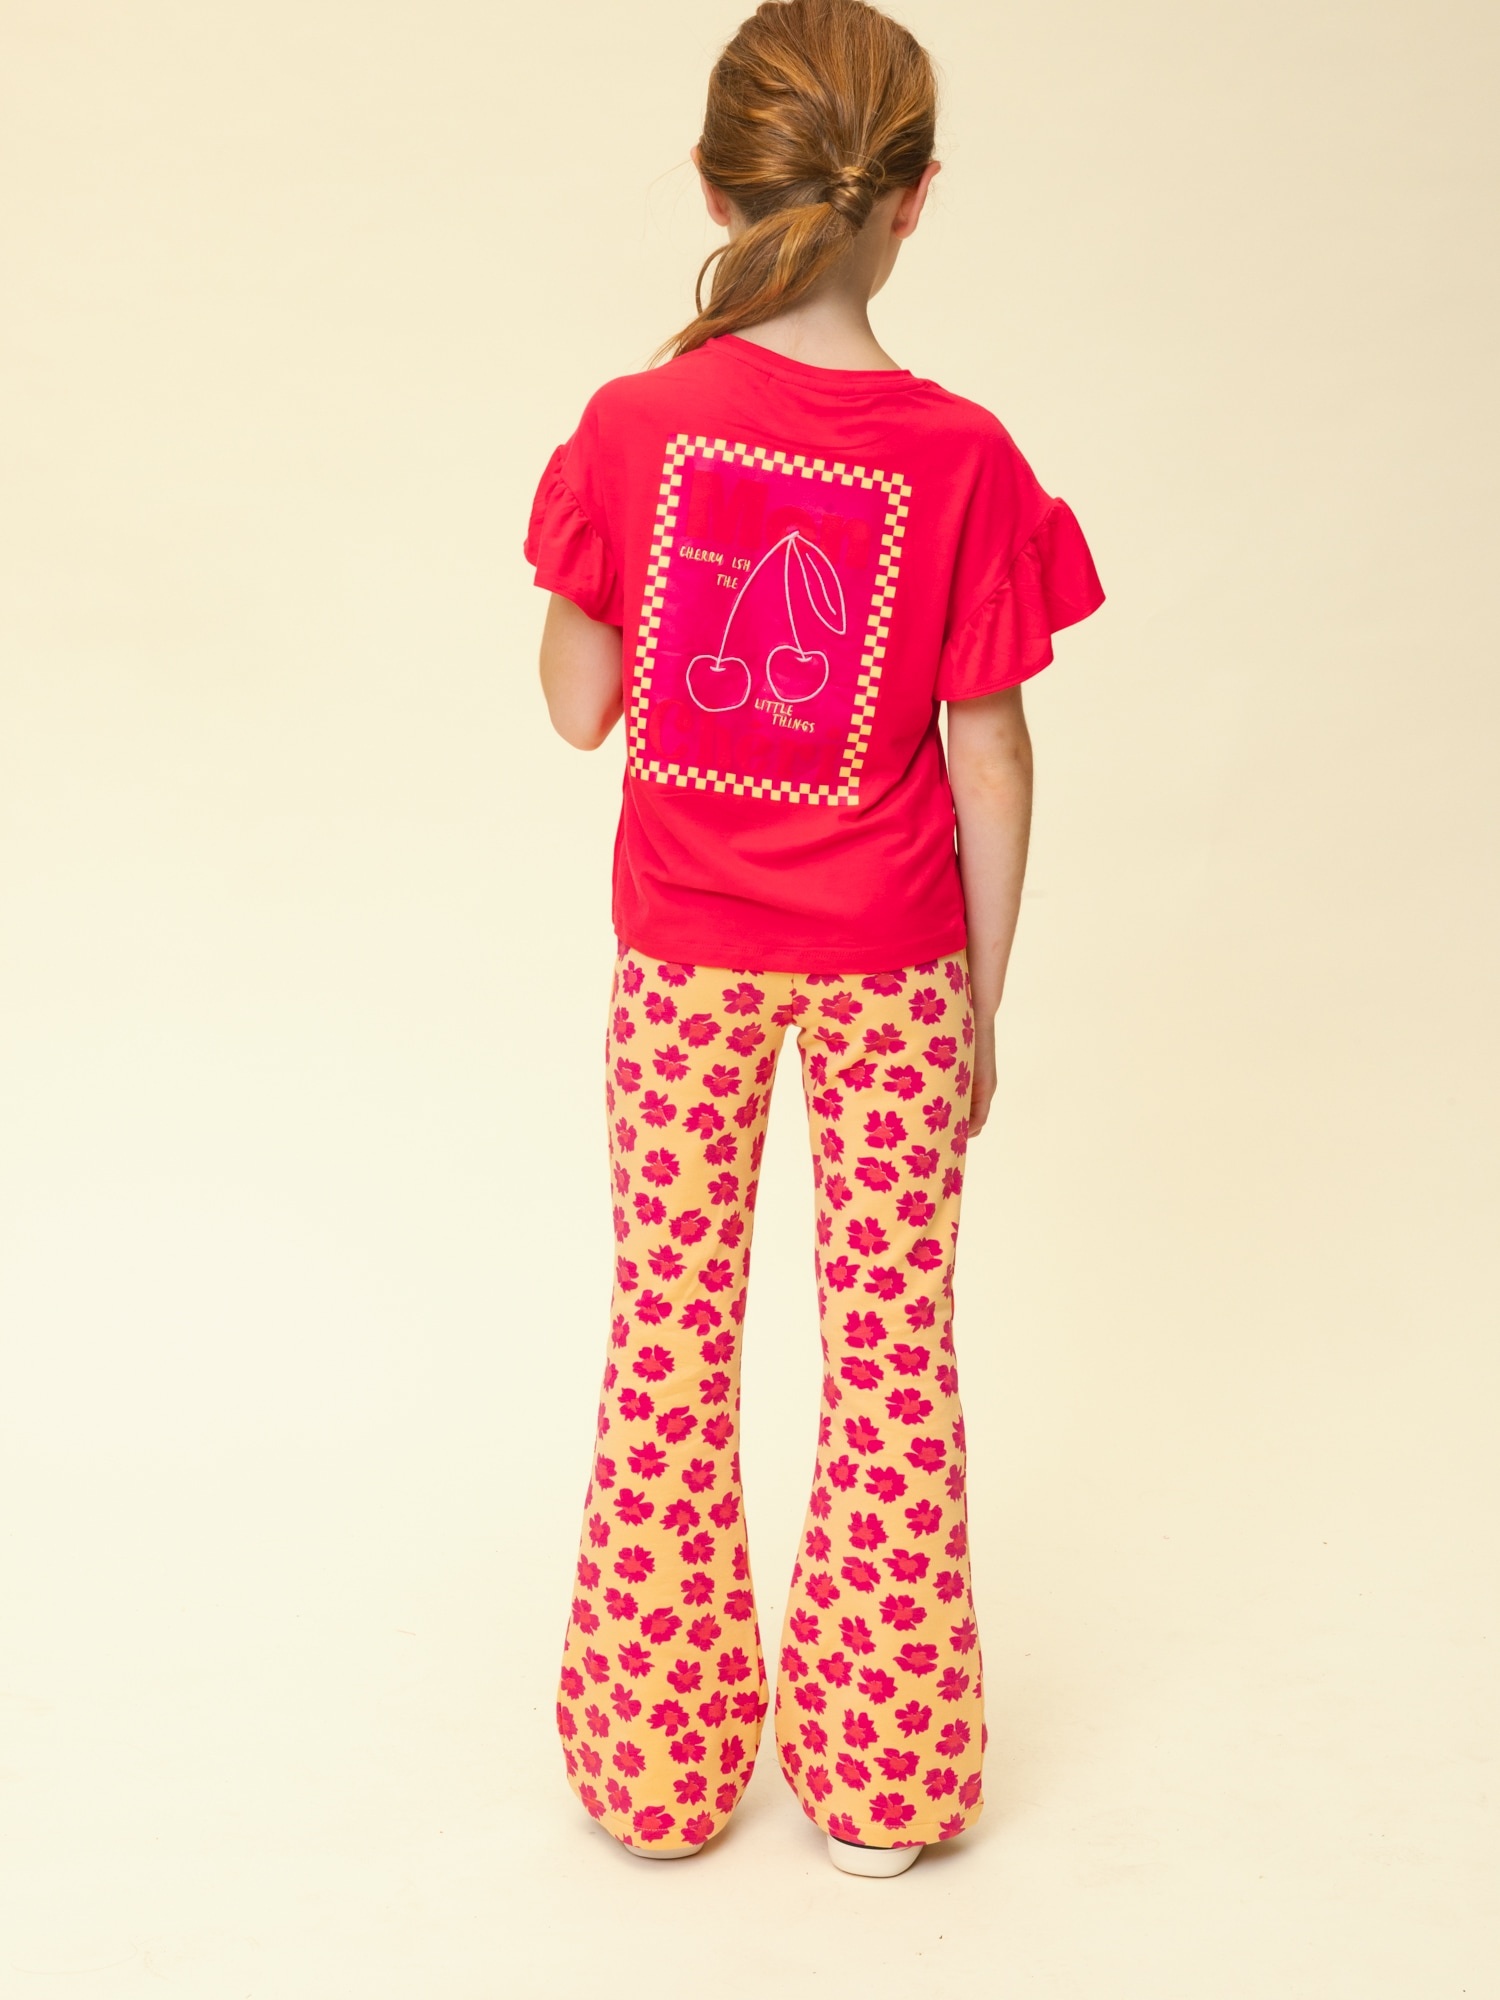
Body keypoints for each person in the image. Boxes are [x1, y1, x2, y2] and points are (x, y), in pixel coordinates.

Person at [523, 0, 1104, 1879]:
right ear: (916, 199)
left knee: (669, 1343)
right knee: (891, 1360)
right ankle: (882, 1785)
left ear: (718, 185)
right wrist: (979, 1007)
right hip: (893, 970)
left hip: (681, 972)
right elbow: (991, 752)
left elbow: (579, 709)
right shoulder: (964, 455)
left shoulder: (633, 427)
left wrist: (612, 571)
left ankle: (657, 1777)